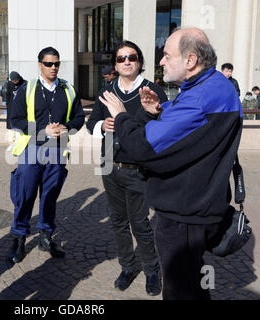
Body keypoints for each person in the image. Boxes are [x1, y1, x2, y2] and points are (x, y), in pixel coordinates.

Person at [99, 27, 242, 300]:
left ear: (190, 61)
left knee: (180, 291)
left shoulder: (200, 96)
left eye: (166, 55)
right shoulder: (211, 85)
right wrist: (156, 112)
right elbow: (184, 134)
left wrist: (121, 116)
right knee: (194, 287)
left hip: (184, 216)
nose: (161, 61)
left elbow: (145, 147)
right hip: (196, 209)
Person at [86, 40, 165, 296]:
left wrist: (125, 120)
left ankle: (151, 270)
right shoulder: (107, 90)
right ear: (116, 65)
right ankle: (128, 266)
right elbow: (91, 123)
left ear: (139, 61)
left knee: (140, 222)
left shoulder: (152, 90)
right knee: (118, 221)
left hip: (138, 168)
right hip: (109, 164)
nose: (126, 61)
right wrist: (102, 126)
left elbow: (162, 128)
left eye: (131, 57)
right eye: (121, 58)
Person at [8, 46, 85, 263]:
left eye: (57, 64)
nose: (54, 68)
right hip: (31, 148)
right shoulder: (27, 88)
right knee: (25, 196)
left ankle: (46, 236)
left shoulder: (68, 89)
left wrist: (67, 128)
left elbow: (79, 118)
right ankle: (19, 238)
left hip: (58, 149)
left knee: (50, 196)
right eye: (49, 64)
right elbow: (16, 119)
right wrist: (43, 131)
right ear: (40, 64)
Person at [5, 71, 27, 149]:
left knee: (19, 127)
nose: (14, 82)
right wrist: (8, 105)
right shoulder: (10, 84)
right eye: (13, 81)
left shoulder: (24, 84)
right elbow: (8, 95)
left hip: (20, 108)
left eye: (15, 80)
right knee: (11, 127)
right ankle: (12, 144)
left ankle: (18, 144)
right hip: (11, 107)